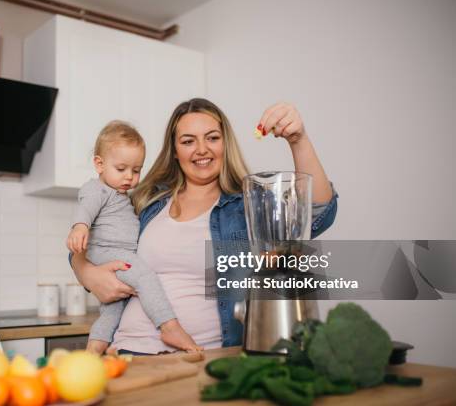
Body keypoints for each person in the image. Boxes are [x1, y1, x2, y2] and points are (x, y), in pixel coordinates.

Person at [71, 99, 338, 355]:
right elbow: (93, 243)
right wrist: (86, 273)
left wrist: (297, 138)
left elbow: (318, 213)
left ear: (225, 143)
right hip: (128, 351)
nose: (202, 149)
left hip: (203, 357)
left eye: (212, 138)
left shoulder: (246, 207)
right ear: (175, 151)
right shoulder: (146, 201)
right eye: (188, 141)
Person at [66, 121, 203, 355]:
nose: (129, 177)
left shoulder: (123, 195)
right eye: (121, 169)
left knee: (112, 311)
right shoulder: (96, 189)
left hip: (116, 253)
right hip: (108, 251)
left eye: (136, 170)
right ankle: (168, 325)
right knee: (145, 276)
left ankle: (93, 351)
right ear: (99, 164)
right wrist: (79, 227)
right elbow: (86, 208)